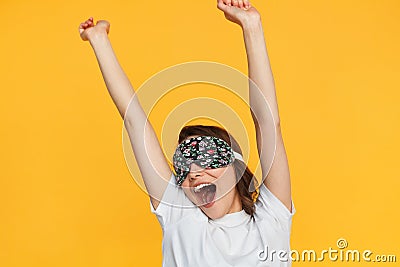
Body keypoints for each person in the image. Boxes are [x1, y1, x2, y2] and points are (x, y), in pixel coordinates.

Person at [78, 0, 295, 266]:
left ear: (235, 164)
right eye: (183, 166)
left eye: (205, 158)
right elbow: (135, 121)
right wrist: (99, 40)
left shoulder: (272, 221)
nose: (193, 173)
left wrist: (251, 26)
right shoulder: (181, 219)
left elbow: (267, 123)